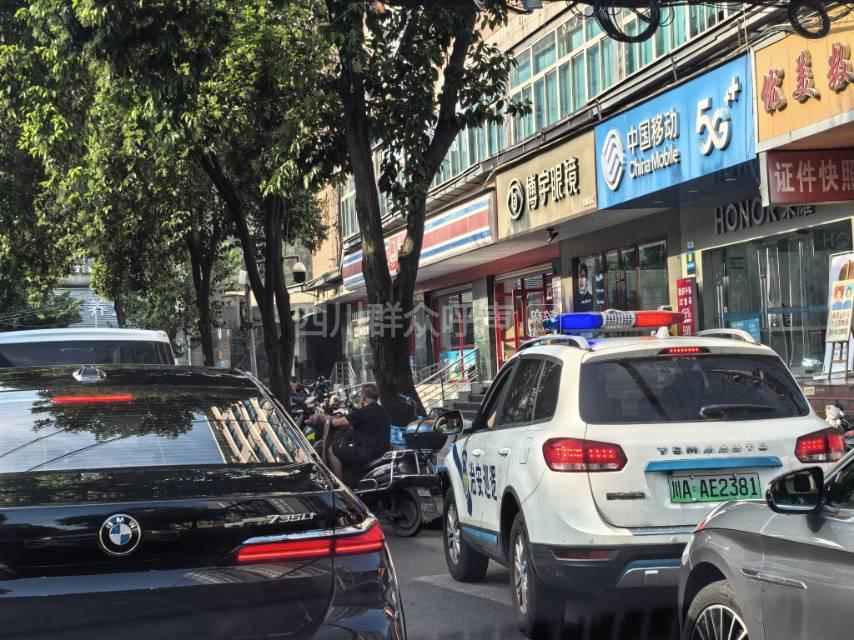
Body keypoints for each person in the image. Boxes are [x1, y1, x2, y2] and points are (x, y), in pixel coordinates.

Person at [327, 383, 391, 482]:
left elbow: (336, 423)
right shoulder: (383, 412)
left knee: (332, 450)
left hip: (366, 453)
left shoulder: (362, 412)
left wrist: (328, 418)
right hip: (383, 451)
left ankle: (339, 485)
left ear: (363, 397)